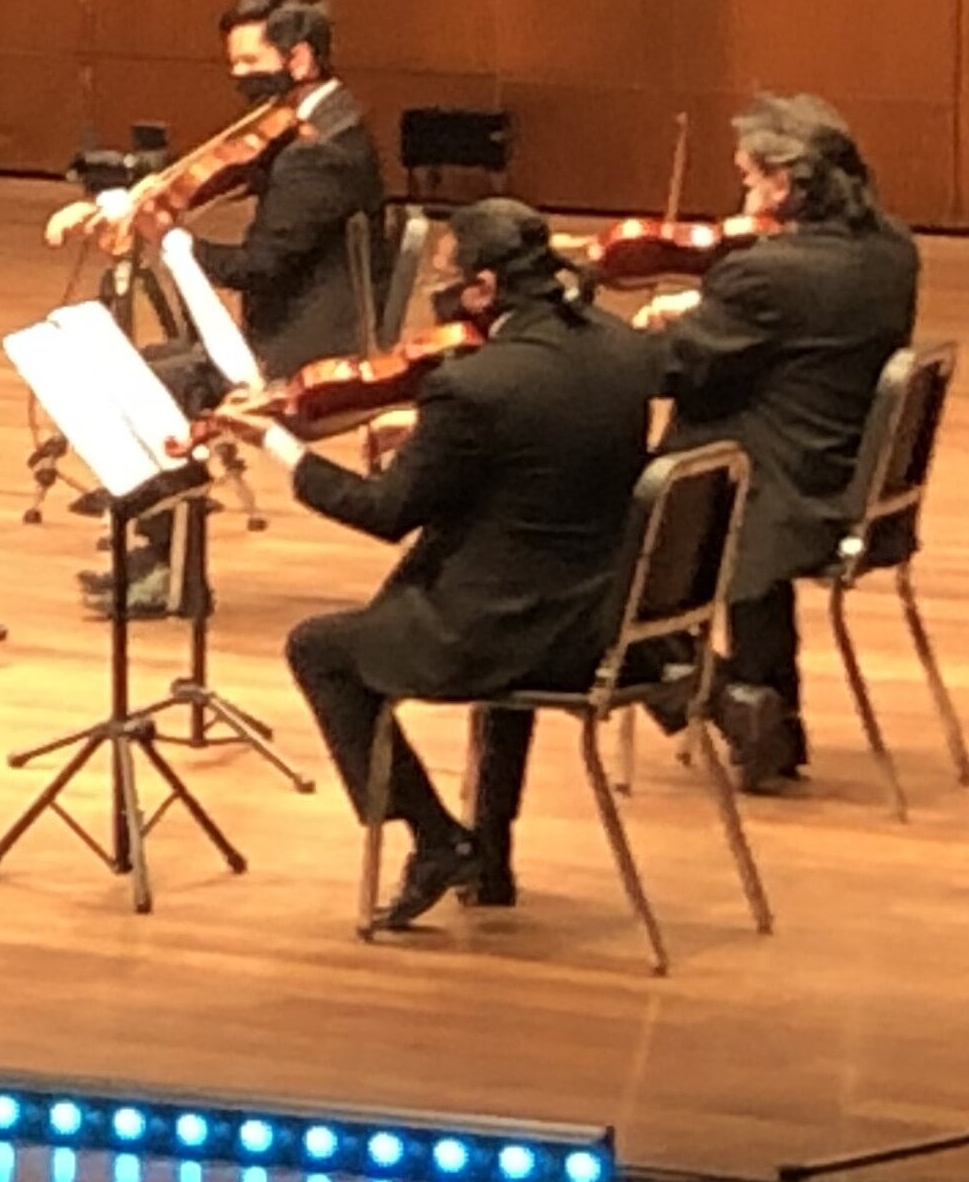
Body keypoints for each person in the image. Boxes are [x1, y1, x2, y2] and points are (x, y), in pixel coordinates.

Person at [239, 199, 662, 929]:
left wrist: (279, 446)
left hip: (506, 633)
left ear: (483, 290)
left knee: (320, 649)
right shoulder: (621, 348)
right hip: (603, 620)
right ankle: (488, 856)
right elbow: (540, 444)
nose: (436, 291)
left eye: (446, 275)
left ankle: (437, 840)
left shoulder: (473, 386)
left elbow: (387, 513)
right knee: (486, 617)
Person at [48, 0, 387, 611]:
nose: (238, 77)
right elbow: (211, 171)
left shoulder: (321, 156)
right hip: (293, 325)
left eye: (251, 63)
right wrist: (120, 201)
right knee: (145, 371)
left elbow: (257, 267)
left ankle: (173, 570)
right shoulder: (315, 122)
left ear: (301, 60)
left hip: (307, 350)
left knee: (149, 385)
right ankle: (161, 550)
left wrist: (172, 238)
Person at [640, 93, 923, 791]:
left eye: (748, 178)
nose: (741, 192)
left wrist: (641, 331)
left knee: (586, 546)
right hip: (844, 471)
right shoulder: (892, 250)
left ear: (787, 185)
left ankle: (729, 699)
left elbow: (676, 371)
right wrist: (710, 306)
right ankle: (772, 722)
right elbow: (789, 336)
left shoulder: (766, 274)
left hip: (771, 492)